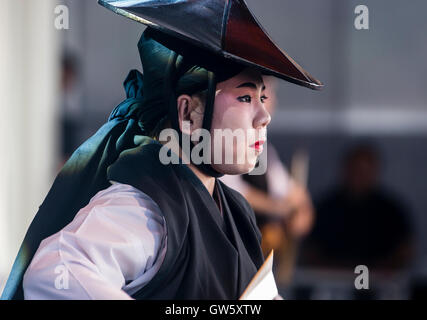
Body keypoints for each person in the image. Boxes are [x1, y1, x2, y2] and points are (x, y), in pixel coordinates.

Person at [1, 0, 322, 300]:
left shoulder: (235, 210)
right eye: (245, 98)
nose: (263, 117)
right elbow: (55, 271)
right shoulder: (147, 206)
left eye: (262, 99)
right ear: (188, 113)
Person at [220, 76, 314, 285]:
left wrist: (301, 211)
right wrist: (280, 208)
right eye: (252, 97)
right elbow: (233, 190)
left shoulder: (264, 149)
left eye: (265, 96)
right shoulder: (223, 144)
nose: (266, 109)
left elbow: (291, 193)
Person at [305, 143, 413, 271]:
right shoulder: (325, 208)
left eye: (365, 171)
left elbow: (405, 251)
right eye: (355, 169)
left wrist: (377, 270)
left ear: (375, 171)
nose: (359, 176)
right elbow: (309, 250)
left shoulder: (392, 211)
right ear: (345, 169)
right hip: (331, 282)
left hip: (379, 285)